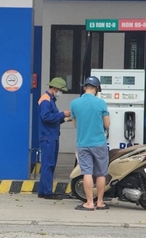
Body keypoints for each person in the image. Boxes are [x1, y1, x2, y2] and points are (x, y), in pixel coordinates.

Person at [70, 76, 110, 211]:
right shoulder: (101, 103)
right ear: (97, 88)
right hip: (99, 143)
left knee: (87, 172)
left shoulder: (74, 103)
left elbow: (75, 124)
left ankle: (89, 203)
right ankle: (100, 202)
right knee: (100, 173)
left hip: (83, 143)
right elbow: (107, 124)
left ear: (84, 87)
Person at [36, 77, 71, 200]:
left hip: (51, 136)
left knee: (48, 164)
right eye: (61, 90)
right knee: (48, 165)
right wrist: (62, 114)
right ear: (55, 88)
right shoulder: (46, 100)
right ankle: (48, 192)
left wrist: (65, 119)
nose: (61, 93)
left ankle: (42, 191)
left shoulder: (50, 100)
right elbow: (46, 117)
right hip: (48, 137)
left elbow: (52, 119)